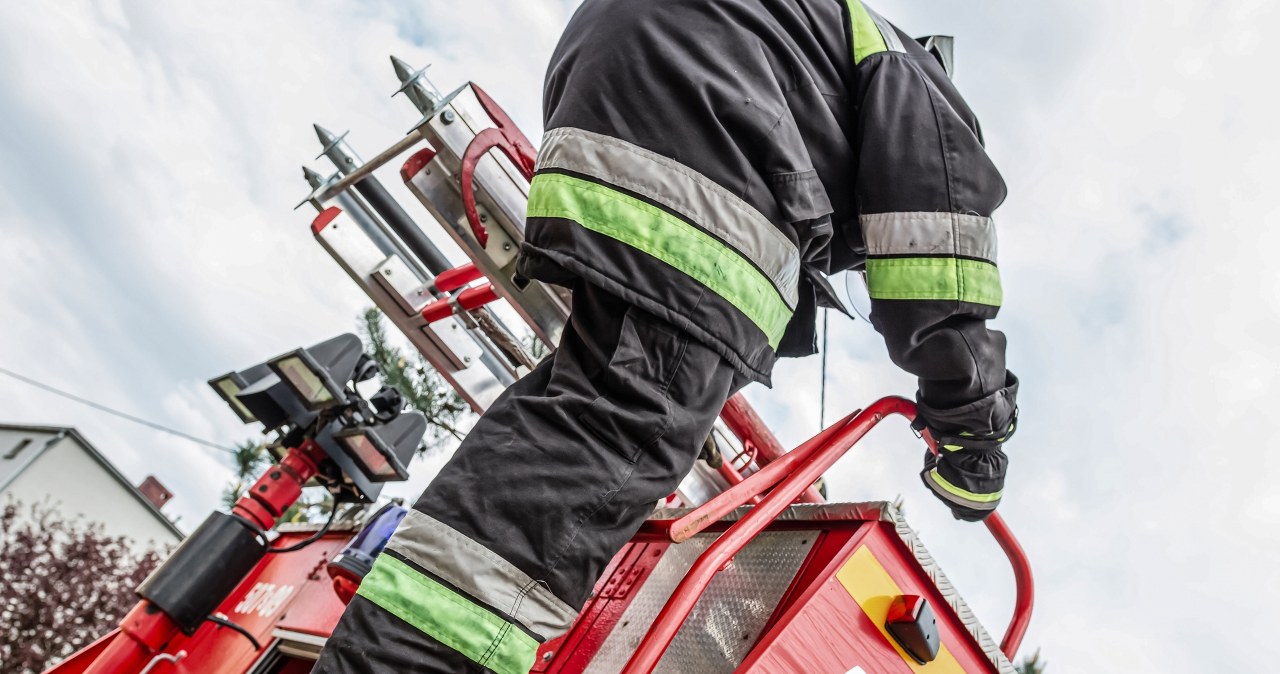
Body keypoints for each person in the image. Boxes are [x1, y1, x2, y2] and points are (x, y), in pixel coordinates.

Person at [315, 1, 1018, 672]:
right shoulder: (928, 98)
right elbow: (939, 270)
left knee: (586, 405)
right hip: (705, 131)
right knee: (620, 431)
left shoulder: (826, 43)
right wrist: (973, 436)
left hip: (614, 91)